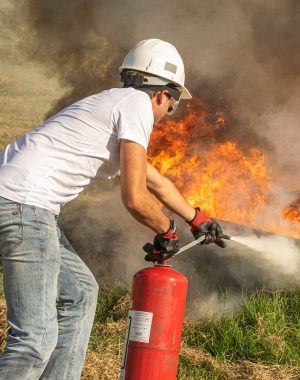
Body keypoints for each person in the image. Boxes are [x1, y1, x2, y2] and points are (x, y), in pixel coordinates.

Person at [0, 38, 228, 379]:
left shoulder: (115, 105)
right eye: (173, 105)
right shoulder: (136, 107)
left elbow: (156, 182)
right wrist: (166, 229)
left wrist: (197, 218)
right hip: (22, 205)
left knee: (79, 294)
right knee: (36, 337)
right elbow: (135, 197)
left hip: (26, 205)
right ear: (162, 94)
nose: (168, 114)